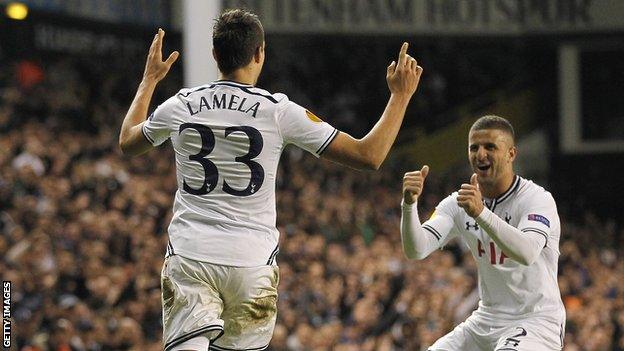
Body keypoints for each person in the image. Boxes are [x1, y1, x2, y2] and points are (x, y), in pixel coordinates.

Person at [118, 9, 423, 351]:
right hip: (252, 263)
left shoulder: (181, 104)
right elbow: (370, 155)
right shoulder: (277, 110)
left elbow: (128, 142)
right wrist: (400, 96)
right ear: (260, 53)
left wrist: (149, 80)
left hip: (192, 255)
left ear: (215, 55)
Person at [400, 115, 565, 350]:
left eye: (490, 147)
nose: (480, 154)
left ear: (511, 154)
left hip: (536, 320)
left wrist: (481, 214)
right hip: (486, 319)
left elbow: (527, 252)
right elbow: (416, 249)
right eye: (474, 147)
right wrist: (409, 205)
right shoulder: (459, 203)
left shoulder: (536, 199)